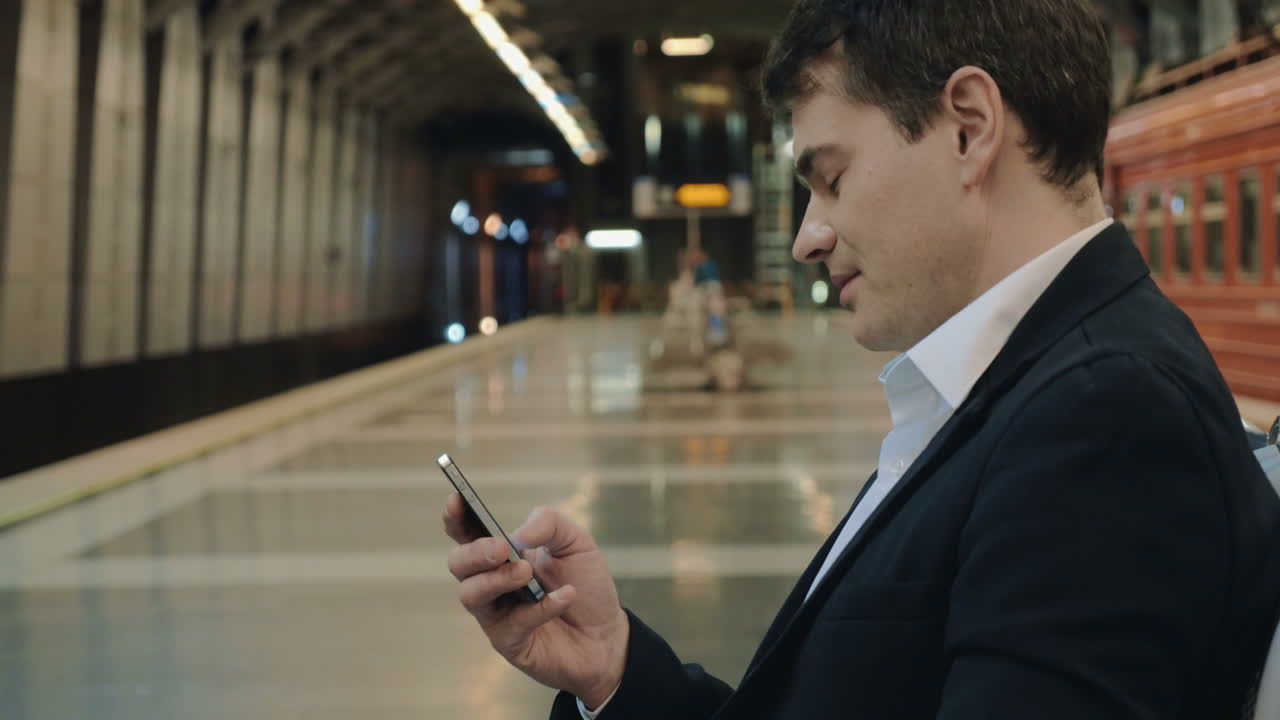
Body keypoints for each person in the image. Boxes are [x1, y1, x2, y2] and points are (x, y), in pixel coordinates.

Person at [441, 1, 1280, 717]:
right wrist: (617, 671)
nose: (809, 236)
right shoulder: (1028, 391)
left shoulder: (1105, 420)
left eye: (831, 178)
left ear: (968, 129)